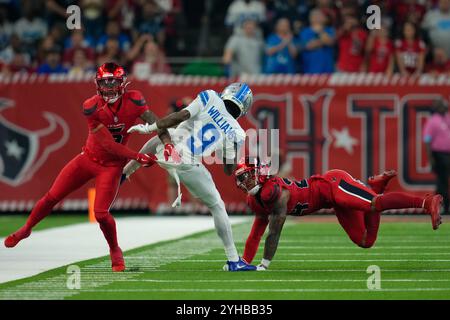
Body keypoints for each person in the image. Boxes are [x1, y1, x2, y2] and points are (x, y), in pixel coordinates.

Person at [4, 62, 178, 272]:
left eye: (113, 81)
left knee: (101, 214)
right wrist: (137, 157)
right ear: (98, 84)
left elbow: (157, 123)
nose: (109, 87)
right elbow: (107, 144)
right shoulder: (91, 105)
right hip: (88, 159)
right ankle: (26, 228)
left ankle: (115, 250)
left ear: (123, 83)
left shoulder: (135, 99)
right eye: (105, 82)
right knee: (52, 196)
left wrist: (168, 144)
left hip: (112, 167)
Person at [124, 83, 257, 271]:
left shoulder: (210, 96)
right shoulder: (237, 132)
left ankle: (127, 171)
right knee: (217, 206)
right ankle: (233, 259)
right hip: (189, 163)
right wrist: (229, 152)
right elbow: (228, 170)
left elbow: (180, 116)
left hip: (172, 151)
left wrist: (151, 127)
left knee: (161, 138)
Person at [233, 157, 443, 270]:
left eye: (248, 176)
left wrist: (264, 265)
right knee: (365, 240)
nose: (244, 182)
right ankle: (376, 187)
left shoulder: (274, 192)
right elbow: (256, 233)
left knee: (374, 204)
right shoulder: (257, 199)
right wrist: (245, 262)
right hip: (331, 201)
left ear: (260, 173)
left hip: (332, 185)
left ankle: (426, 202)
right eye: (241, 179)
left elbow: (274, 232)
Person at [423, 99, 450, 215]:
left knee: (444, 181)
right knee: (442, 181)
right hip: (439, 154)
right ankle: (442, 205)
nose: (446, 107)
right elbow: (427, 139)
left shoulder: (448, 118)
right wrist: (431, 158)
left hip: (448, 153)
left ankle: (439, 204)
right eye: (443, 105)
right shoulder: (433, 121)